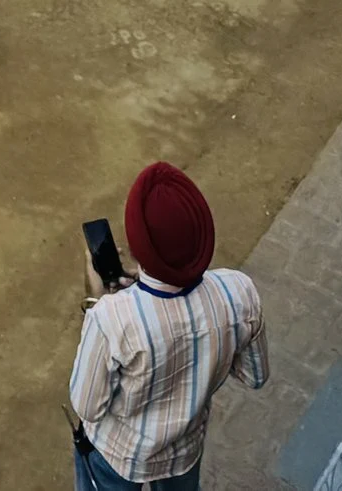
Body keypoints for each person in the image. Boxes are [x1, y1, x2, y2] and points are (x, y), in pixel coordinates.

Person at [69, 162, 269, 491]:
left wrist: (97, 304)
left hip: (119, 457)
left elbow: (89, 405)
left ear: (135, 247)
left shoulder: (111, 318)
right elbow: (255, 376)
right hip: (185, 451)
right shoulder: (239, 292)